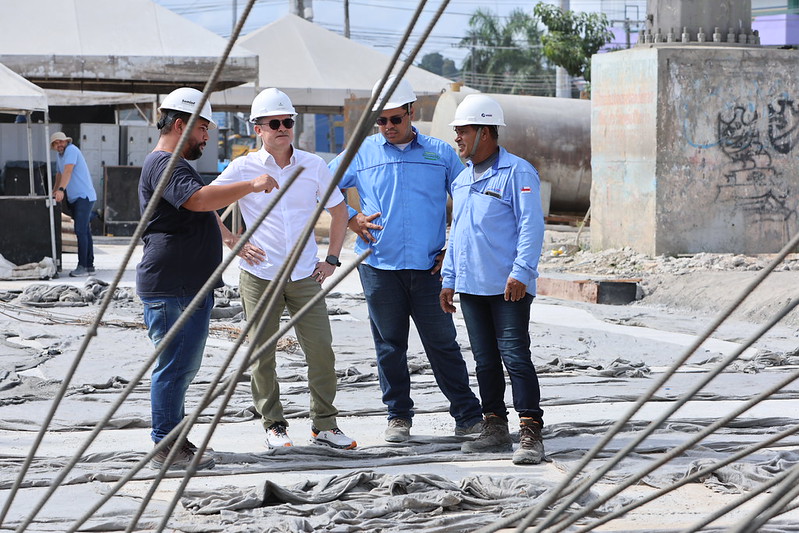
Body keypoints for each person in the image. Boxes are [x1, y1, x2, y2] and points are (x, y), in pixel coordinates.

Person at [329, 76, 483, 443]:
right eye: (380, 121)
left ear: (412, 112)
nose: (388, 127)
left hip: (429, 268)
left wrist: (452, 250)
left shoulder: (440, 153)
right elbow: (322, 184)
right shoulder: (362, 152)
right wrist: (351, 218)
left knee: (442, 343)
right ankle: (398, 416)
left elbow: (470, 198)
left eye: (395, 119)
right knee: (389, 345)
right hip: (378, 266)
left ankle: (467, 415)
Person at [137, 87, 277, 470]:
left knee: (180, 368)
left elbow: (198, 204)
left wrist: (228, 237)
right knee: (175, 368)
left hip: (182, 286)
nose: (205, 137)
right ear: (180, 125)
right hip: (174, 287)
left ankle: (173, 441)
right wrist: (251, 185)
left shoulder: (173, 165)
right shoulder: (166, 163)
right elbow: (199, 200)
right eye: (202, 129)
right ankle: (166, 447)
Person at [211, 88, 356, 450]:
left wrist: (332, 259)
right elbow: (204, 200)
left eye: (287, 122)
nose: (282, 129)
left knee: (321, 351)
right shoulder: (243, 167)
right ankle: (274, 425)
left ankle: (325, 425)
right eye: (274, 123)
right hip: (260, 276)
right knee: (262, 354)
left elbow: (339, 211)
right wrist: (231, 240)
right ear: (257, 129)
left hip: (305, 275)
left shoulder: (314, 165)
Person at [440, 94, 546, 465]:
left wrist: (522, 271)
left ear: (485, 132)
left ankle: (530, 431)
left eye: (463, 131)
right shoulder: (462, 181)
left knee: (515, 357)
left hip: (508, 288)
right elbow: (458, 233)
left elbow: (532, 225)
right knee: (485, 361)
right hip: (471, 287)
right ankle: (495, 425)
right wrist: (449, 278)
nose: (457, 137)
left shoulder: (518, 172)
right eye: (456, 131)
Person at [51, 131, 97, 277]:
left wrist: (61, 190)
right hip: (77, 198)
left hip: (84, 196)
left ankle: (82, 266)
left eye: (61, 141)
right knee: (85, 231)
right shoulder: (60, 156)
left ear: (66, 141)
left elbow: (68, 171)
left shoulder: (71, 150)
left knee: (80, 231)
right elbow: (59, 175)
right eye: (56, 143)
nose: (59, 145)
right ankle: (89, 266)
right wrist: (54, 191)